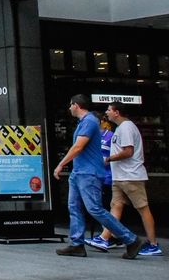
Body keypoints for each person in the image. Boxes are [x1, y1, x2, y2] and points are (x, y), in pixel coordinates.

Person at [55, 95, 142, 258]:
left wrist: (61, 164)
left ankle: (131, 239)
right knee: (74, 207)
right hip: (79, 171)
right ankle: (76, 244)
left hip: (89, 173)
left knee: (94, 208)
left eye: (70, 105)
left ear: (76, 105)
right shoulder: (84, 122)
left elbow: (78, 147)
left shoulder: (88, 121)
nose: (69, 109)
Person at [88, 102, 160, 256]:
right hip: (121, 176)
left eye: (109, 109)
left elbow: (128, 151)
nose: (106, 112)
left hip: (131, 175)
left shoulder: (126, 128)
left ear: (117, 112)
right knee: (116, 206)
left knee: (142, 208)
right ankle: (104, 238)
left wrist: (109, 159)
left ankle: (153, 244)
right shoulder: (120, 128)